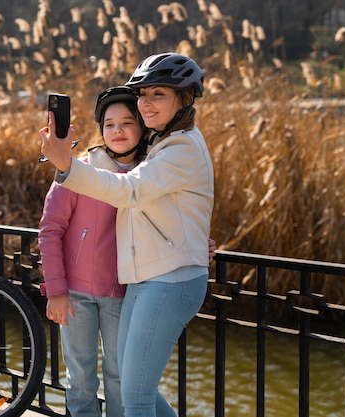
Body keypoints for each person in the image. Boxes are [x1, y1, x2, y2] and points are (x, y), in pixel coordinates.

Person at [39, 52, 214, 417]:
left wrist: (66, 166)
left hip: (168, 281)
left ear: (184, 99)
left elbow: (130, 192)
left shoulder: (180, 148)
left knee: (133, 397)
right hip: (146, 280)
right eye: (144, 95)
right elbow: (153, 210)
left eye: (159, 95)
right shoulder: (159, 146)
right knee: (139, 393)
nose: (147, 103)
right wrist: (194, 241)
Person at [39, 86, 149, 417]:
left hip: (123, 294)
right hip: (74, 296)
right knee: (81, 379)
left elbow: (170, 224)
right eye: (109, 124)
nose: (117, 131)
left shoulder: (151, 174)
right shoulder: (77, 170)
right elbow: (50, 230)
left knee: (120, 378)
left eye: (127, 123)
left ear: (142, 128)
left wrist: (198, 244)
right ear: (100, 129)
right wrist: (56, 292)